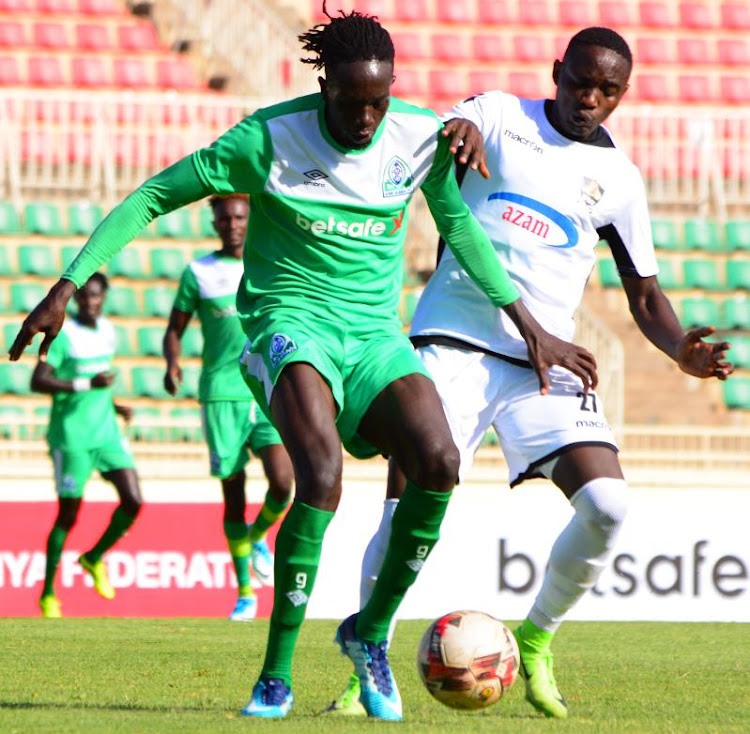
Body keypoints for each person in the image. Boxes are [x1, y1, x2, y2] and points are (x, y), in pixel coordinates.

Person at [9, 6, 598, 721]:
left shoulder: (415, 139)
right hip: (286, 324)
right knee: (320, 473)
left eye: (378, 101)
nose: (366, 118)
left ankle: (369, 633)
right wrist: (67, 284)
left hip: (375, 337)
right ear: (325, 87)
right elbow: (154, 195)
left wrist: (529, 326)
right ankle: (275, 673)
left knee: (440, 459)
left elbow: (461, 231)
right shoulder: (267, 140)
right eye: (352, 103)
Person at [328, 26, 735, 720]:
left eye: (608, 90)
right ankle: (369, 657)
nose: (590, 98)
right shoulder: (502, 115)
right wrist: (461, 133)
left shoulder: (621, 182)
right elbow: (454, 125)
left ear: (623, 96)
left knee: (608, 506)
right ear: (557, 72)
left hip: (544, 366)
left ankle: (537, 637)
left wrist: (678, 351)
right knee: (407, 506)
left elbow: (644, 295)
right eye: (580, 82)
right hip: (454, 343)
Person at [162, 193, 294, 621]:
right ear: (215, 223)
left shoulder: (269, 262)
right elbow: (174, 329)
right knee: (233, 495)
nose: (232, 225)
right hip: (221, 393)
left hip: (266, 385)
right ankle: (244, 593)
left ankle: (259, 535)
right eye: (224, 218)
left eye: (239, 217)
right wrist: (172, 362)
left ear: (249, 218)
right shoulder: (197, 272)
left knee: (283, 482)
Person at [31, 272, 144, 618]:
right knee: (69, 514)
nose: (90, 303)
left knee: (134, 500)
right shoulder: (64, 335)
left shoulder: (108, 330)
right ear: (76, 299)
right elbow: (39, 381)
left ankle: (93, 557)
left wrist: (113, 404)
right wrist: (87, 384)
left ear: (104, 298)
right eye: (85, 297)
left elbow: (100, 383)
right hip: (72, 437)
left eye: (96, 297)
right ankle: (48, 592)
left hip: (106, 432)